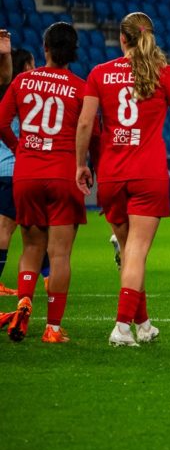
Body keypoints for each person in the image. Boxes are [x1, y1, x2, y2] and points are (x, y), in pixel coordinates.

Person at [74, 12, 170, 346]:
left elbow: (84, 123)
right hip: (148, 174)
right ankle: (122, 327)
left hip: (111, 175)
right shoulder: (163, 73)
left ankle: (143, 324)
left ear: (122, 38)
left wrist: (81, 164)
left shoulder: (99, 73)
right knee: (137, 252)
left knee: (130, 253)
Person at [0, 23, 86, 343]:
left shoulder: (22, 81)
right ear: (73, 52)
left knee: (32, 247)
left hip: (27, 173)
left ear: (45, 47)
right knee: (59, 254)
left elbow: (1, 123)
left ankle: (23, 303)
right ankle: (52, 329)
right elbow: (90, 132)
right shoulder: (80, 88)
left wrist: (18, 148)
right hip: (63, 173)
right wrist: (86, 164)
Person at [0, 43, 37, 297]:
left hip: (4, 168)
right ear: (24, 67)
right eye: (32, 64)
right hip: (11, 168)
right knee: (7, 228)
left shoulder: (6, 93)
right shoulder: (22, 96)